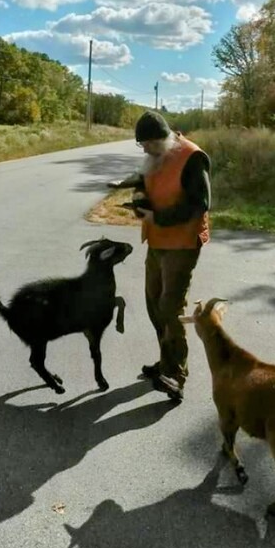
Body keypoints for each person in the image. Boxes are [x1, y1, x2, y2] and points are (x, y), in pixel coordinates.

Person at [109, 110, 211, 403]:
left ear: (161, 138)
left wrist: (158, 217)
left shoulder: (192, 157)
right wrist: (124, 185)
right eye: (140, 145)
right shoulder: (157, 154)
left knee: (170, 307)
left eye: (147, 144)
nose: (144, 150)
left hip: (182, 242)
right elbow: (144, 177)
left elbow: (200, 204)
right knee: (154, 302)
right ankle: (166, 362)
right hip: (157, 241)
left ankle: (176, 376)